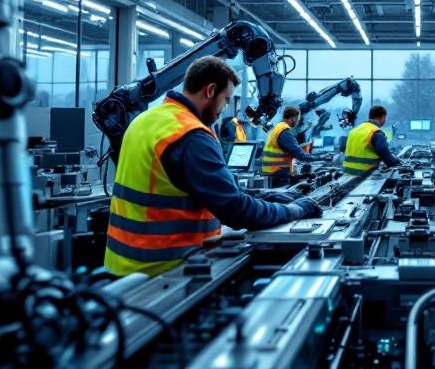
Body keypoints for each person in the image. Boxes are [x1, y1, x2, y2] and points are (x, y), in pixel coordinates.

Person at [104, 56, 321, 277]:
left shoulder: (145, 120)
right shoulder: (191, 135)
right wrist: (293, 210)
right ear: (210, 91)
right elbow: (236, 210)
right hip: (165, 271)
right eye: (226, 100)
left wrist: (267, 196)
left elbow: (183, 187)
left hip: (123, 266)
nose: (224, 109)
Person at [261, 105, 318, 187]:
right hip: (278, 174)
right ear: (293, 118)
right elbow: (300, 155)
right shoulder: (285, 131)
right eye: (298, 120)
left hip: (272, 172)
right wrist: (318, 157)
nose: (298, 122)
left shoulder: (278, 127)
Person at [342, 105, 403, 176]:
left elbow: (343, 148)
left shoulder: (354, 131)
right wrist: (397, 163)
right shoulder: (376, 132)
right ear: (383, 117)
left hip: (347, 174)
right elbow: (383, 151)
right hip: (364, 176)